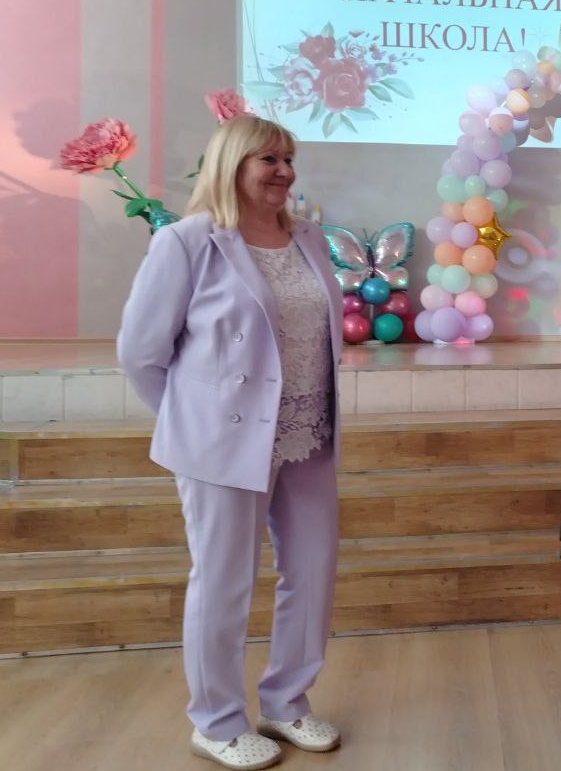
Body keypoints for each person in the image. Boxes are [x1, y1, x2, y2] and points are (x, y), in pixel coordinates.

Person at [118, 115, 344, 769]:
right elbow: (140, 353)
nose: (284, 172)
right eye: (268, 159)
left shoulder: (308, 237)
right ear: (232, 164)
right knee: (224, 581)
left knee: (312, 572)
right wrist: (194, 422)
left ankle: (286, 701)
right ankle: (216, 722)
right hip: (222, 441)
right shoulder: (187, 241)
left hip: (307, 430)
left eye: (289, 159)